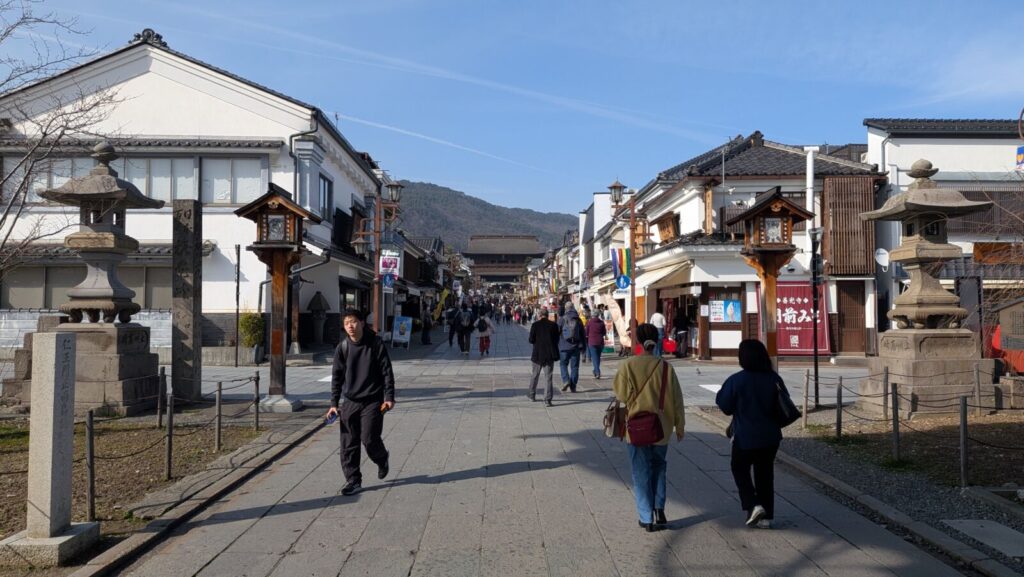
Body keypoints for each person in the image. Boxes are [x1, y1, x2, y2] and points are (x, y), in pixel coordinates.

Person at [612, 323, 685, 532]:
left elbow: (621, 395)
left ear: (637, 342)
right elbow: (677, 399)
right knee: (659, 467)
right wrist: (680, 425)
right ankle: (659, 508)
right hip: (662, 427)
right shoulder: (666, 368)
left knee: (640, 471)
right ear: (656, 340)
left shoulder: (628, 365)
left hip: (636, 427)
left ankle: (646, 516)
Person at [715, 339, 788, 529]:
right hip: (771, 436)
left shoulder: (737, 380)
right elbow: (783, 403)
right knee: (765, 474)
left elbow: (725, 406)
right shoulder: (773, 378)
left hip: (745, 435)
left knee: (739, 468)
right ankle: (765, 516)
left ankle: (753, 504)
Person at [326, 308, 395, 496]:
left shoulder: (375, 344)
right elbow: (337, 377)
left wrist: (389, 397)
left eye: (354, 321)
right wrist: (334, 403)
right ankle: (353, 480)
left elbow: (386, 372)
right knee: (348, 443)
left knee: (369, 439)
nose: (350, 326)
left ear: (362, 323)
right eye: (347, 322)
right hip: (350, 401)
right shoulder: (343, 348)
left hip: (373, 401)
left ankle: (382, 459)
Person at [527, 306, 560, 406]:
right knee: (548, 377)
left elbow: (531, 340)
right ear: (547, 315)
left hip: (537, 354)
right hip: (549, 354)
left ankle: (532, 395)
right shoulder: (553, 325)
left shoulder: (535, 325)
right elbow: (556, 340)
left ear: (539, 315)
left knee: (535, 375)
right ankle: (547, 399)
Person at [557, 302, 586, 392]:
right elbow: (583, 335)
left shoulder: (562, 319)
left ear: (566, 308)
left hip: (564, 347)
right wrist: (583, 349)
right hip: (576, 347)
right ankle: (573, 386)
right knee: (575, 367)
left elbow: (556, 332)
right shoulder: (578, 319)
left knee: (563, 364)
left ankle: (566, 380)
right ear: (573, 308)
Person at [586, 311, 607, 379]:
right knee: (597, 357)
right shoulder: (601, 323)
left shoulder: (589, 322)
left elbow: (586, 333)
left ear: (592, 315)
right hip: (600, 342)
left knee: (595, 358)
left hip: (592, 342)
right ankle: (595, 370)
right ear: (598, 315)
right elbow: (604, 332)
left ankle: (597, 372)